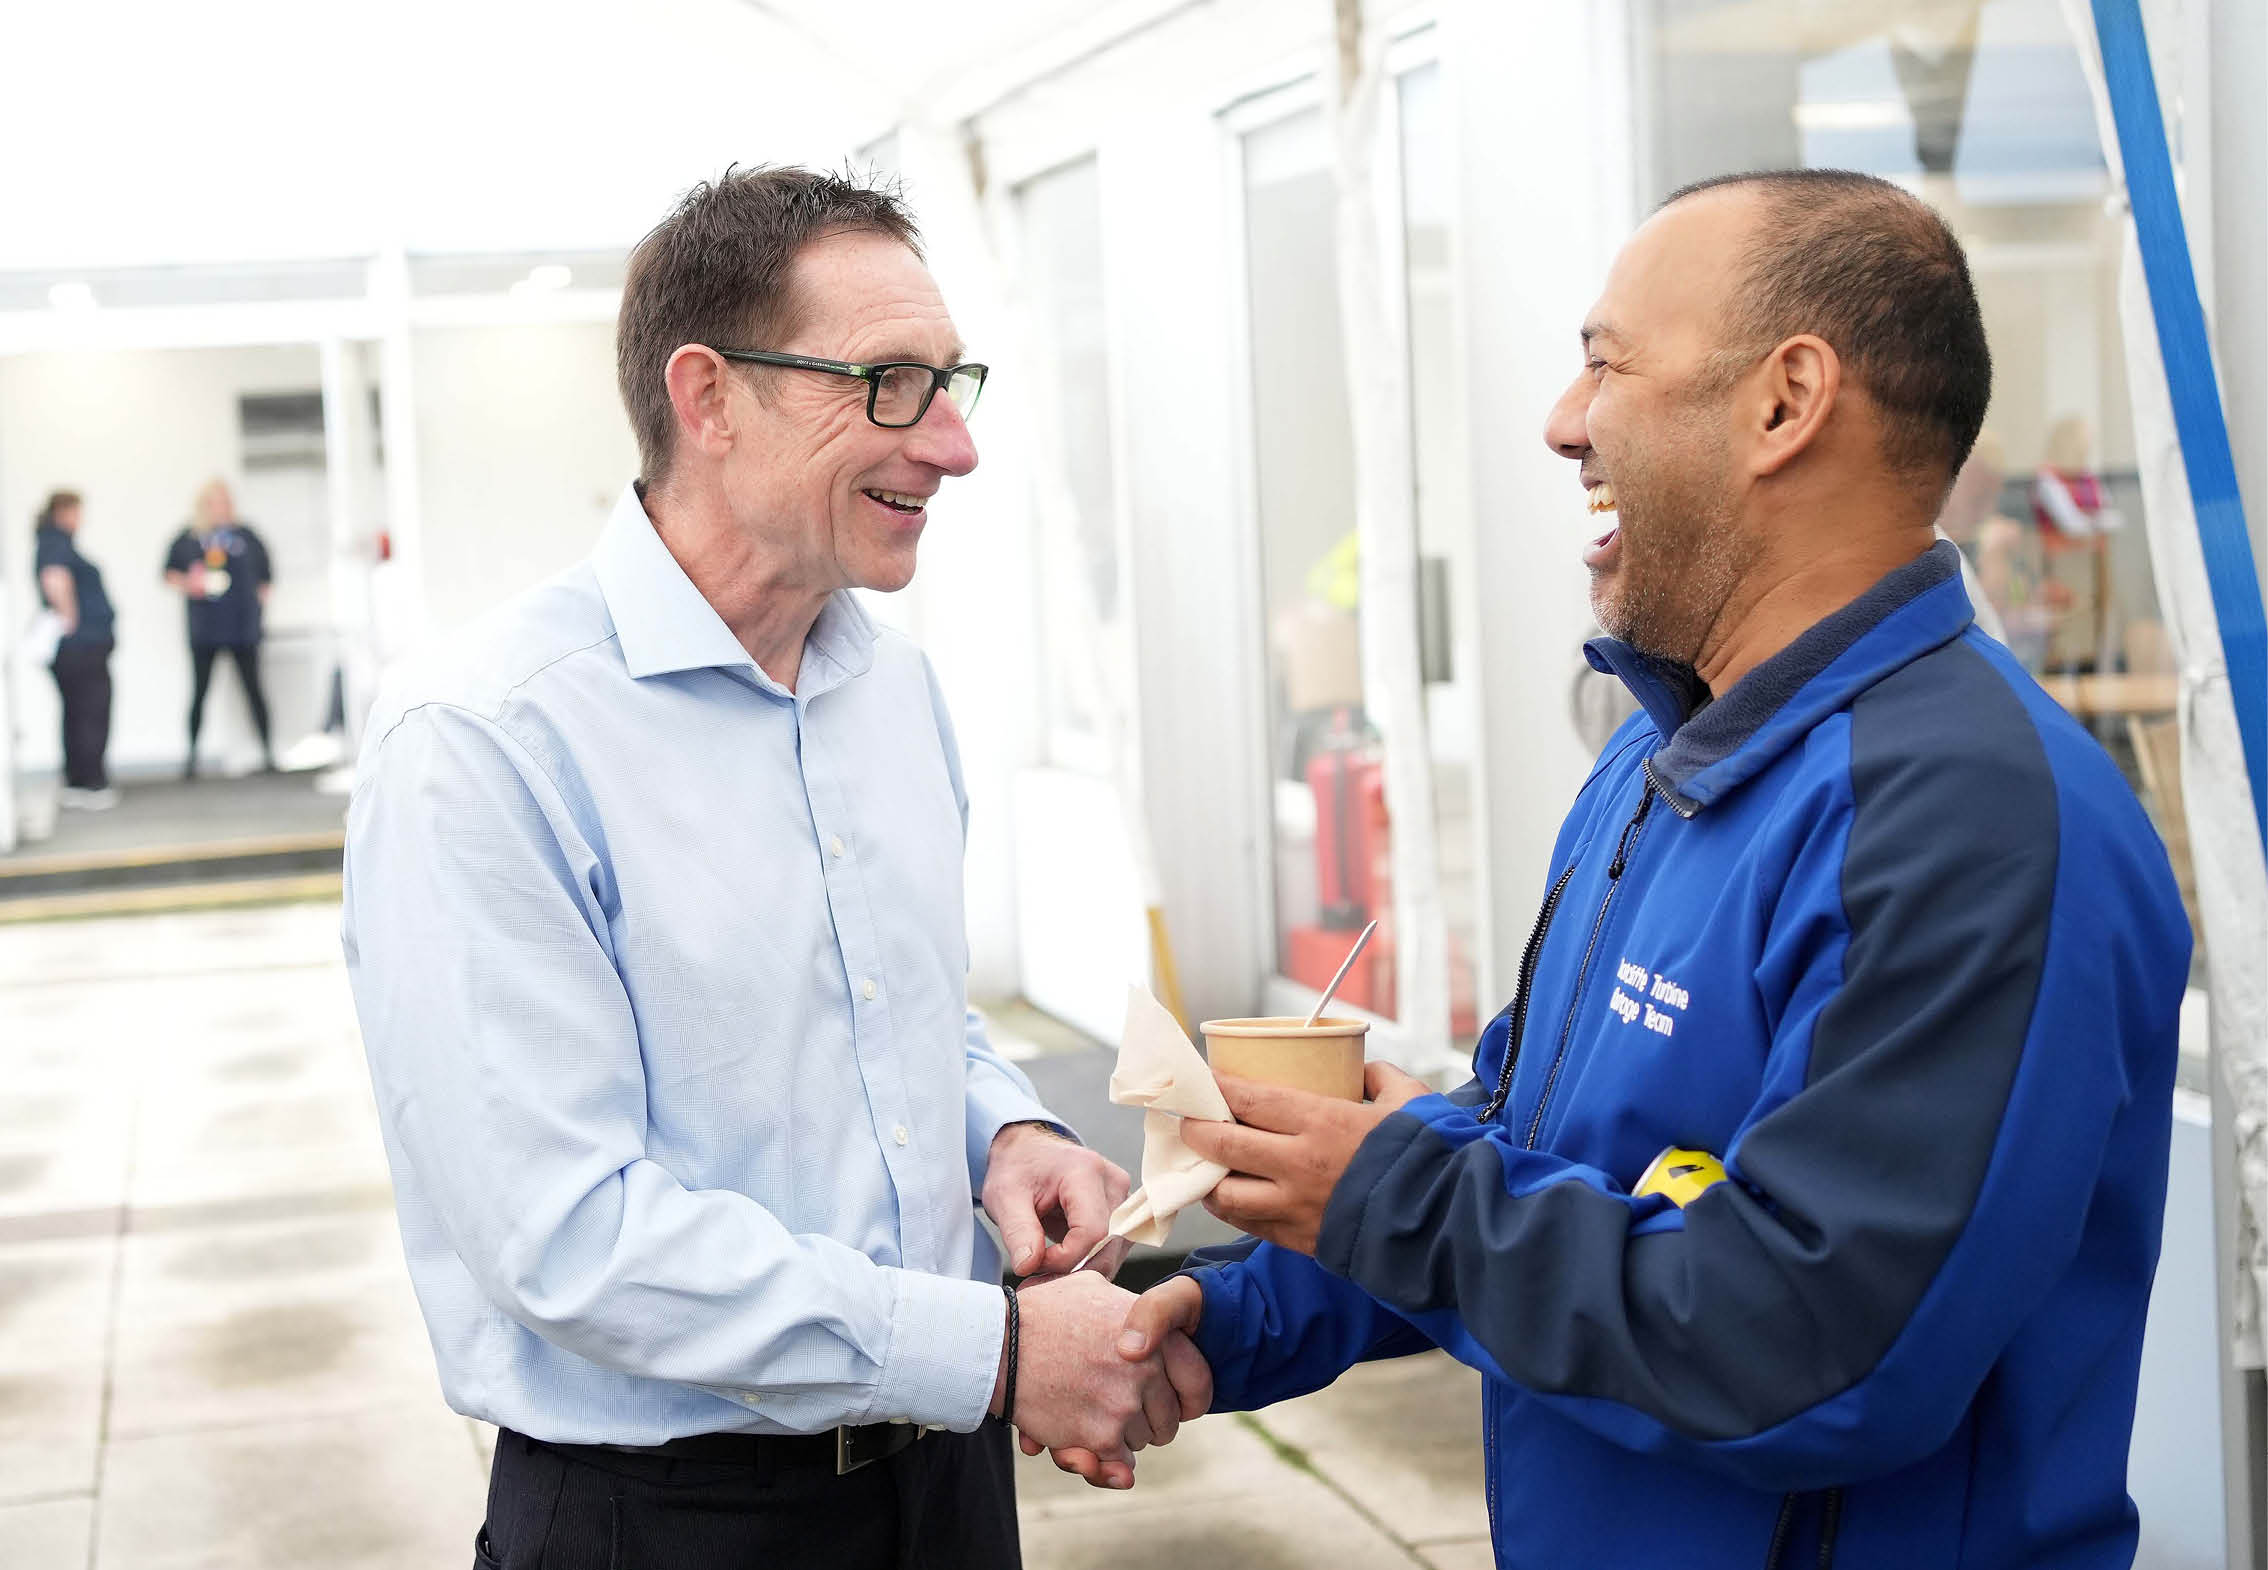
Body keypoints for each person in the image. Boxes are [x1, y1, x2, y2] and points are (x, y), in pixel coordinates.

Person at [1097, 170, 2192, 1570]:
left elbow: (1810, 1348)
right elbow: (1532, 1158)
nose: (1565, 422)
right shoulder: (1659, 763)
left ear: (1785, 402)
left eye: (1604, 363)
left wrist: (1395, 1195)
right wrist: (1228, 1313)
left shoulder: (1970, 817)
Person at [342, 167, 1201, 1570]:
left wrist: (1006, 1132)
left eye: (951, 383)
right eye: (890, 384)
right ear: (708, 396)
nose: (953, 445)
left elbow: (906, 1011)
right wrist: (991, 1349)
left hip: (948, 1487)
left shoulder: (892, 688)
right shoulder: (486, 742)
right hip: (672, 1519)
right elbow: (568, 1234)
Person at [163, 478, 273, 776]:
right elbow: (169, 573)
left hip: (242, 627)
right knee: (200, 693)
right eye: (216, 502)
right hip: (205, 629)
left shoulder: (246, 537)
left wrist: (256, 606)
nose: (222, 508)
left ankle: (268, 753)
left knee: (254, 690)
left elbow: (266, 577)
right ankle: (191, 759)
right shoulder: (189, 538)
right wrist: (190, 583)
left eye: (226, 501)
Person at [33, 490, 118, 809]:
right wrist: (70, 618)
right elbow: (55, 580)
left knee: (76, 714)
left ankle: (78, 781)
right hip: (82, 647)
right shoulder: (55, 542)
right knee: (90, 713)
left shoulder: (53, 542)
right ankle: (91, 784)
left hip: (79, 648)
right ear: (62, 511)